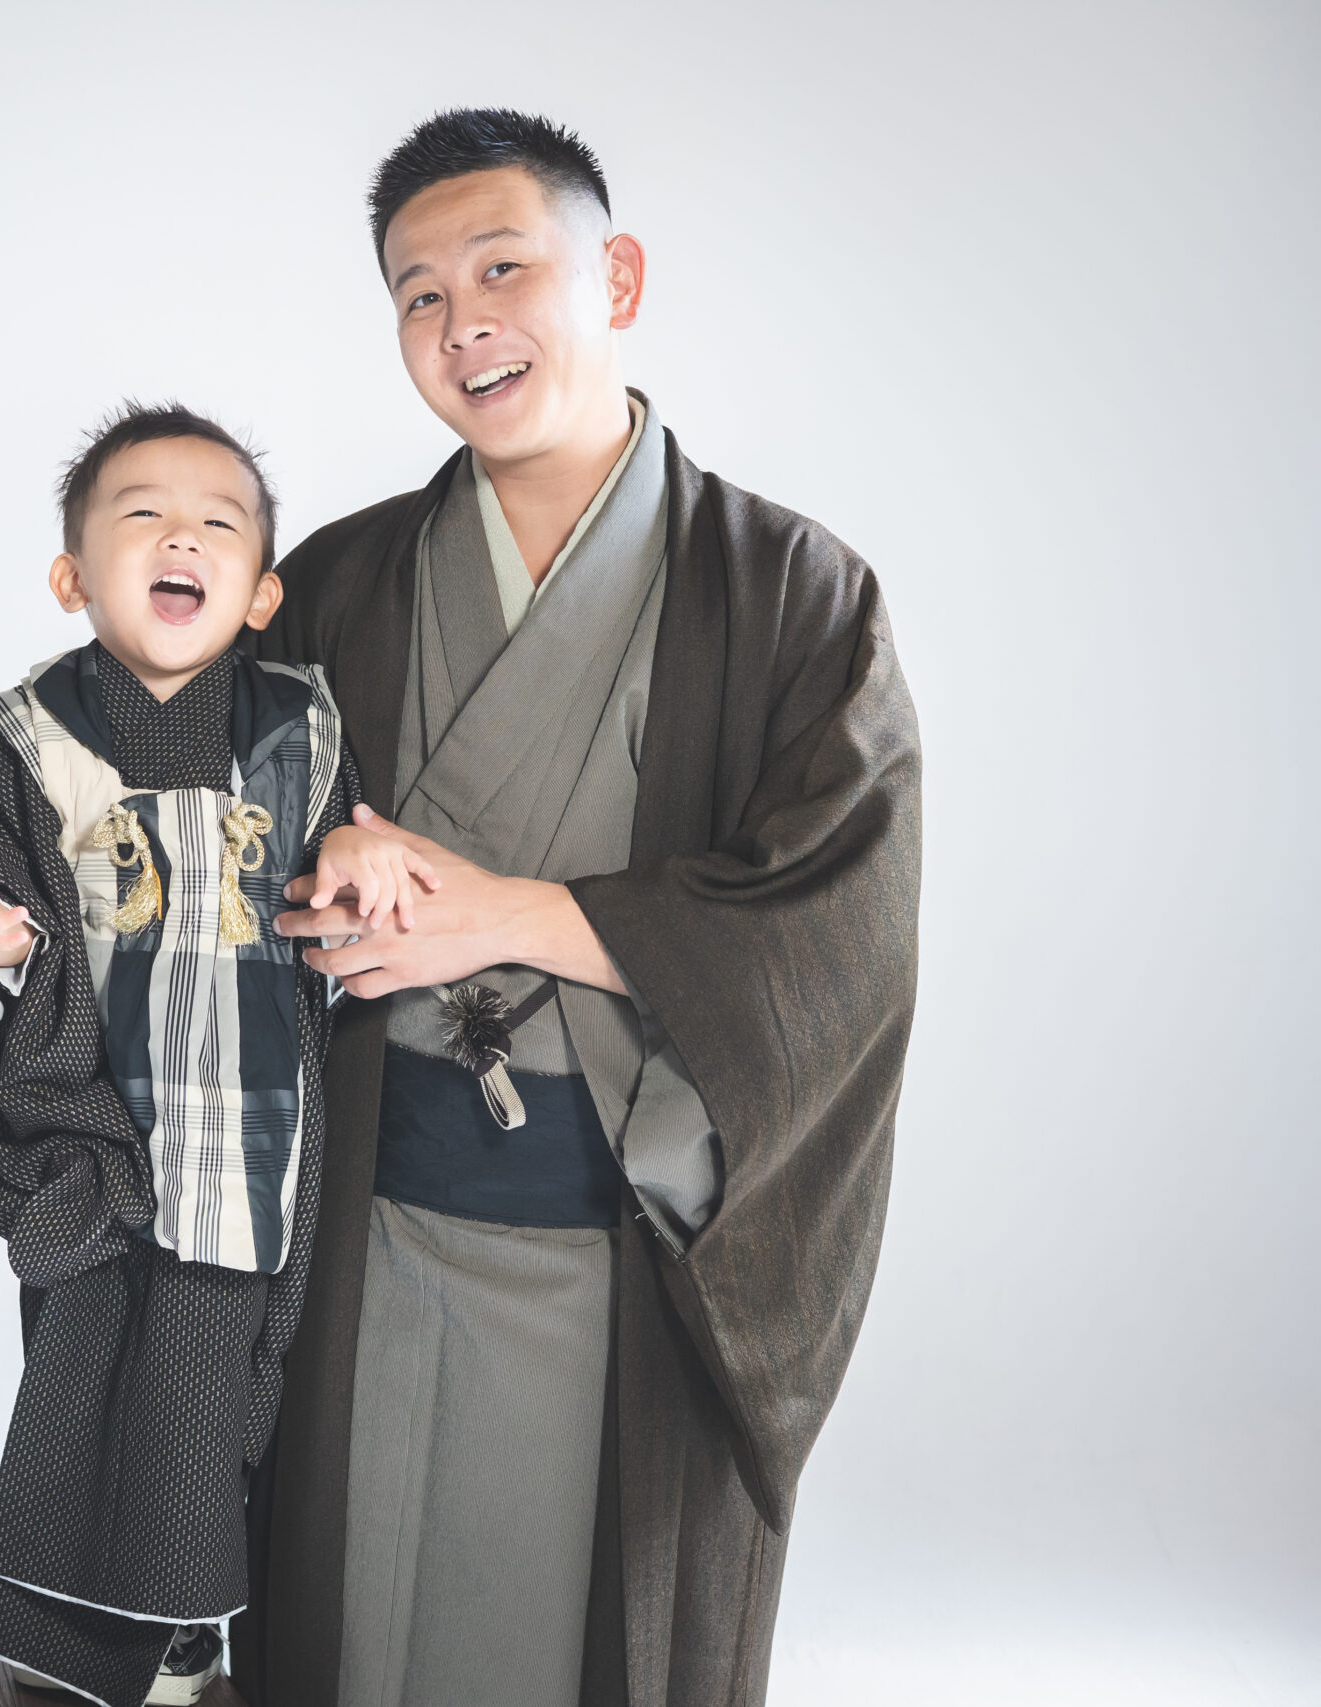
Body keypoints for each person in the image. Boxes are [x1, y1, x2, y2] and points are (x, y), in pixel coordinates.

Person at [236, 111, 924, 1707]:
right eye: (418, 293)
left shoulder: (794, 596)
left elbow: (839, 928)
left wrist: (501, 914)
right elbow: (204, 838)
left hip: (628, 1245)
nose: (462, 321)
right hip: (369, 1236)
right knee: (352, 1618)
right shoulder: (341, 579)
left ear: (612, 273)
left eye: (501, 266)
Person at [0, 404, 413, 1707]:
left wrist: (361, 856)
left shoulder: (302, 728)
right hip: (100, 1130)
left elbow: (355, 857)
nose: (182, 533)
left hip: (252, 1136)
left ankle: (182, 1624)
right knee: (87, 1380)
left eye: (219, 521)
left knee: (227, 1391)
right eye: (143, 513)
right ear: (75, 576)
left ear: (259, 594)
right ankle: (129, 1642)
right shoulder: (25, 744)